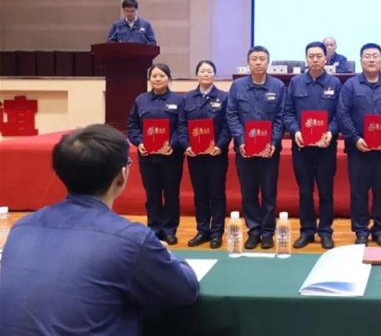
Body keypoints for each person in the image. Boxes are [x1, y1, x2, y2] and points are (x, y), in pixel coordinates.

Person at [0, 124, 199, 335]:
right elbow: (185, 290)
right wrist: (167, 254)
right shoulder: (131, 239)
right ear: (121, 176)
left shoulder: (22, 228)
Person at [337, 43, 381, 247]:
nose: (371, 59)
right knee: (359, 192)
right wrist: (355, 138)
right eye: (367, 56)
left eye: (375, 55)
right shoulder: (350, 85)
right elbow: (343, 113)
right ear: (361, 60)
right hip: (359, 149)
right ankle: (361, 231)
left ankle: (380, 230)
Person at [226, 45, 286, 250]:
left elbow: (281, 117)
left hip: (269, 150)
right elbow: (232, 114)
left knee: (269, 192)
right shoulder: (237, 87)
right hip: (244, 150)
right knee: (248, 191)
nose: (258, 62)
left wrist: (274, 142)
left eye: (262, 59)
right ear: (248, 62)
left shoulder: (278, 86)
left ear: (268, 62)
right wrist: (241, 140)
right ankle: (253, 231)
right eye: (254, 59)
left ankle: (267, 232)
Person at [284, 41, 342, 250]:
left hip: (326, 148)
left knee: (326, 192)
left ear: (326, 58)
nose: (315, 59)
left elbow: (340, 114)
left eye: (319, 56)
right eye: (311, 56)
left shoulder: (335, 83)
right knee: (305, 192)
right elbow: (288, 112)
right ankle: (307, 231)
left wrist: (331, 132)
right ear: (306, 59)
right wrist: (295, 131)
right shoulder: (296, 83)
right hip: (302, 147)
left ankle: (325, 232)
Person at [126, 63, 185, 244]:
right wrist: (139, 142)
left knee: (171, 194)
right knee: (152, 194)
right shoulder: (141, 100)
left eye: (162, 76)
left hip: (171, 157)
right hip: (148, 157)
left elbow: (182, 126)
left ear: (169, 78)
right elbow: (132, 126)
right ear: (149, 79)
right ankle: (154, 228)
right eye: (154, 76)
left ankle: (169, 229)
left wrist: (173, 144)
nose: (158, 79)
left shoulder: (178, 100)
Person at [177, 60, 230, 249]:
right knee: (200, 194)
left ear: (214, 75)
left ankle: (216, 232)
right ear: (197, 74)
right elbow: (181, 124)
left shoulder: (224, 97)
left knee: (216, 193)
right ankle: (202, 230)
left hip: (216, 155)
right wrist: (186, 145)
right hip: (195, 155)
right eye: (202, 71)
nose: (206, 74)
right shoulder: (187, 98)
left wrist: (220, 146)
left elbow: (227, 125)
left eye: (209, 71)